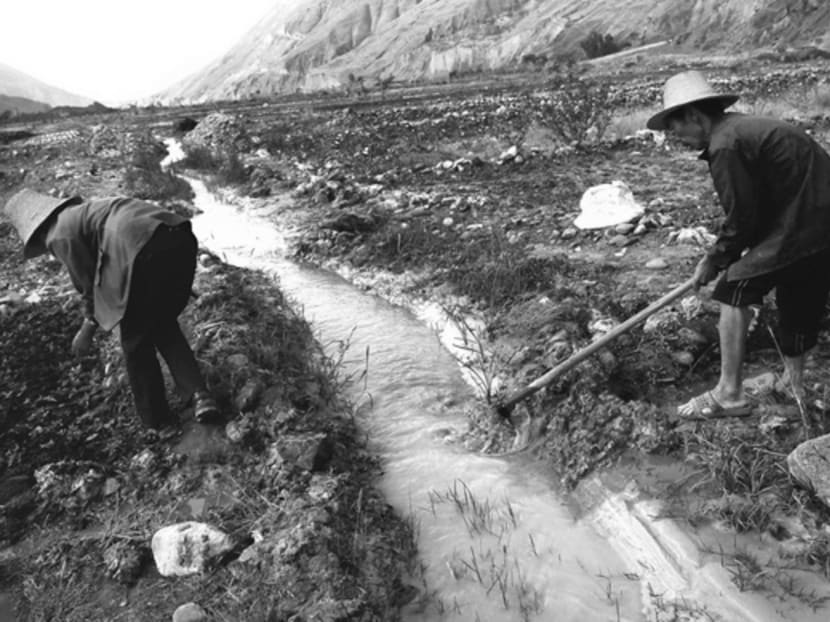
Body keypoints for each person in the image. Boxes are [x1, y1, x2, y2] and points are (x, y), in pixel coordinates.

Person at [647, 70, 830, 418]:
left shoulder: (725, 145)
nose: (676, 137)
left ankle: (729, 393)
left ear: (695, 116)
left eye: (676, 129)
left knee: (733, 289)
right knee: (797, 300)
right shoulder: (743, 128)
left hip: (803, 224)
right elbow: (763, 203)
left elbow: (741, 218)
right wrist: (739, 251)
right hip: (820, 227)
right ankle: (796, 389)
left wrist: (713, 261)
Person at [3, 188, 221, 429]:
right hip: (178, 237)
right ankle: (199, 395)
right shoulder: (87, 212)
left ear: (37, 232)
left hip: (141, 250)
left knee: (135, 342)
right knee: (163, 325)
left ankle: (158, 421)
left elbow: (87, 283)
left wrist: (87, 328)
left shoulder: (58, 235)